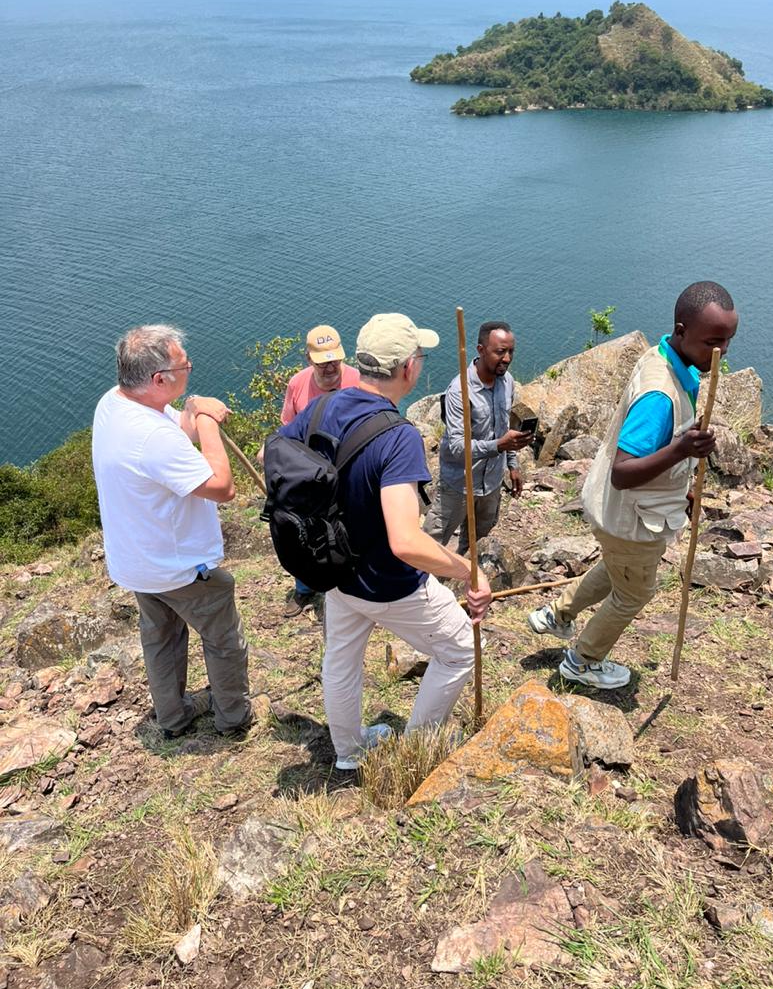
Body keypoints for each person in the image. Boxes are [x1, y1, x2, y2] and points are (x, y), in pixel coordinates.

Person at [278, 312, 493, 770]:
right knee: (456, 651)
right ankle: (418, 748)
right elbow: (405, 542)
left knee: (341, 661)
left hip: (333, 570)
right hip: (388, 582)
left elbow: (270, 454)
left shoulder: (321, 407)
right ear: (407, 369)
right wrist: (468, 570)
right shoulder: (399, 438)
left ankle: (348, 753)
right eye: (419, 356)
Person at [527, 281, 739, 690]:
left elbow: (652, 449)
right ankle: (583, 660)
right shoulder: (659, 395)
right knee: (634, 593)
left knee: (616, 568)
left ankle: (558, 614)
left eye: (728, 340)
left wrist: (681, 484)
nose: (723, 351)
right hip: (629, 517)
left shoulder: (662, 355)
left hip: (620, 513)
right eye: (714, 341)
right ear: (682, 330)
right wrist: (681, 451)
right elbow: (623, 473)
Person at [92, 325, 266, 738]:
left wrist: (192, 414)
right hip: (177, 565)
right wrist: (207, 421)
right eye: (184, 365)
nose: (189, 368)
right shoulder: (150, 436)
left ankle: (172, 717)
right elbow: (222, 487)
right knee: (223, 637)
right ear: (159, 379)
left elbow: (176, 431)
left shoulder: (115, 404)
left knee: (162, 638)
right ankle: (233, 717)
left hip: (138, 561)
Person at [423, 321, 533, 555]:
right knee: (431, 544)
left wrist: (512, 464)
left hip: (492, 482)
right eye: (500, 352)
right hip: (459, 484)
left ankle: (464, 584)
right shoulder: (459, 391)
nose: (506, 358)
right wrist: (498, 445)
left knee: (478, 544)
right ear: (481, 350)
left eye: (510, 351)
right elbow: (455, 447)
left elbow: (505, 428)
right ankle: (416, 586)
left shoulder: (508, 382)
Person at [280, 324, 361, 616]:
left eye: (334, 361)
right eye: (322, 362)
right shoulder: (298, 384)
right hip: (309, 473)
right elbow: (287, 428)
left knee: (350, 529)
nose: (330, 368)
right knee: (306, 532)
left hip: (349, 470)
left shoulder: (358, 380)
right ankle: (304, 588)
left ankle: (349, 589)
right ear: (308, 359)